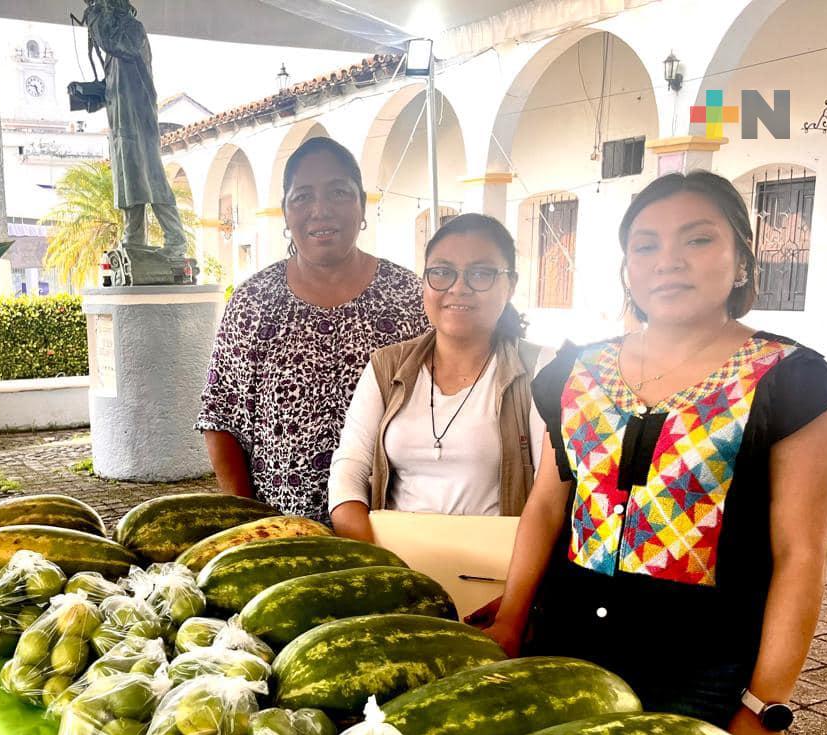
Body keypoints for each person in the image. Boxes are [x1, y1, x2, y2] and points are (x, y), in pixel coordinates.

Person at [481, 171, 827, 735]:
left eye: (698, 240)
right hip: (562, 654)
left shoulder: (791, 381)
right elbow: (549, 505)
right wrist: (511, 621)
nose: (668, 261)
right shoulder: (575, 370)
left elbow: (801, 554)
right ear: (627, 268)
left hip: (701, 677)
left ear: (740, 262)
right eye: (646, 245)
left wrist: (765, 707)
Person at [196, 137, 428, 521]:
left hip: (392, 524)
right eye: (302, 197)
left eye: (338, 192)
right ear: (285, 212)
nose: (321, 211)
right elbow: (220, 420)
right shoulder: (254, 302)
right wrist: (249, 521)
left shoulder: (409, 297)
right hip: (285, 535)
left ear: (361, 203)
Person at [328, 214, 551, 542]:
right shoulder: (387, 367)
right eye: (442, 272)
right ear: (425, 281)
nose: (459, 288)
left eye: (481, 273)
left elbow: (547, 503)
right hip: (397, 564)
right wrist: (375, 563)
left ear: (511, 285)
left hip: (495, 570)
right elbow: (350, 469)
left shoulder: (539, 369)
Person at [86, 0, 187, 257]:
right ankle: (134, 242)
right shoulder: (114, 45)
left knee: (151, 177)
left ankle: (176, 241)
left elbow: (115, 43)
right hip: (121, 123)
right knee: (128, 180)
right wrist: (97, 95)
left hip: (138, 119)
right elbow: (115, 79)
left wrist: (96, 15)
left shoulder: (133, 30)